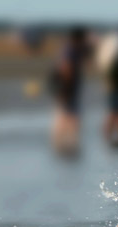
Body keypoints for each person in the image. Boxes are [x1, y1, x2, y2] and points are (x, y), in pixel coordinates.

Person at [50, 26, 88, 154]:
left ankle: (64, 143)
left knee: (67, 116)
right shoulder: (71, 50)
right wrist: (65, 91)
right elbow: (66, 69)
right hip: (67, 89)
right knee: (69, 117)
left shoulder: (72, 49)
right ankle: (66, 143)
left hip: (68, 89)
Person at [97, 30, 118, 147]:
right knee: (117, 113)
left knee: (116, 112)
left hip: (114, 89)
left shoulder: (116, 58)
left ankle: (113, 136)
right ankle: (116, 136)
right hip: (115, 89)